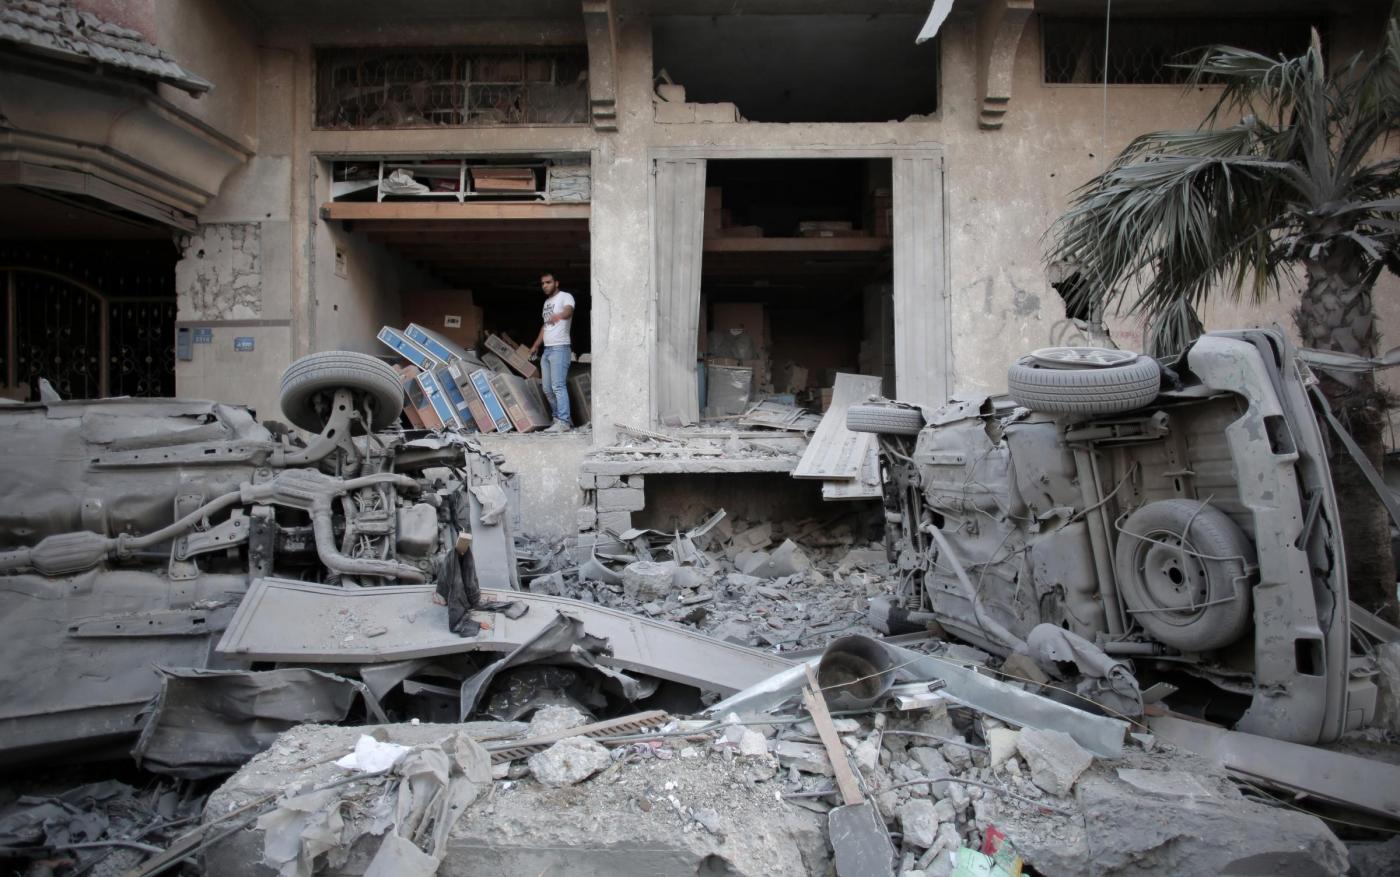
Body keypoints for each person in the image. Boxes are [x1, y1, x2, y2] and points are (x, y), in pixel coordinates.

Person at [529, 272, 575, 432]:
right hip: (547, 350)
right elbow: (545, 326)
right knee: (547, 389)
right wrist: (536, 345)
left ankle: (564, 421)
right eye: (543, 283)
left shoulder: (565, 296)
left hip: (560, 348)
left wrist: (559, 315)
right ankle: (558, 419)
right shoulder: (547, 303)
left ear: (556, 283)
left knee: (558, 386)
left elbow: (569, 311)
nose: (545, 286)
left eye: (548, 282)